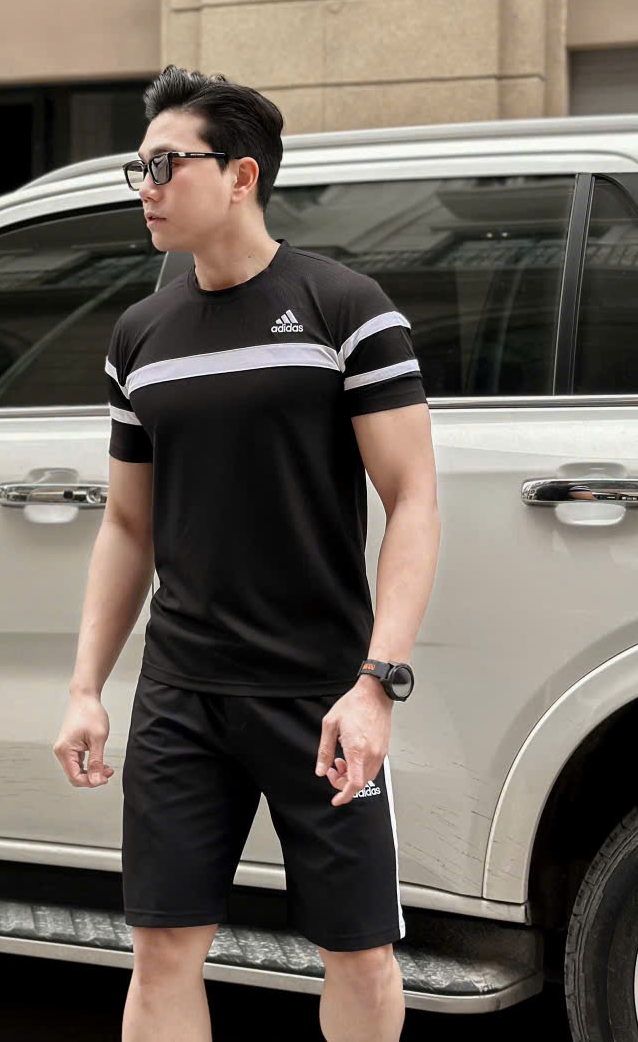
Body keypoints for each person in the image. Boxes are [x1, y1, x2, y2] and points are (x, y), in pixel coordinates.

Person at [53, 65, 440, 1042]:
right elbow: (127, 525)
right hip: (182, 691)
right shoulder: (140, 335)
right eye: (138, 167)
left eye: (164, 165)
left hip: (320, 691)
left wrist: (377, 682)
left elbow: (412, 499)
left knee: (357, 949)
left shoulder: (344, 308)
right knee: (161, 948)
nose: (145, 187)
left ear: (240, 175)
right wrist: (86, 686)